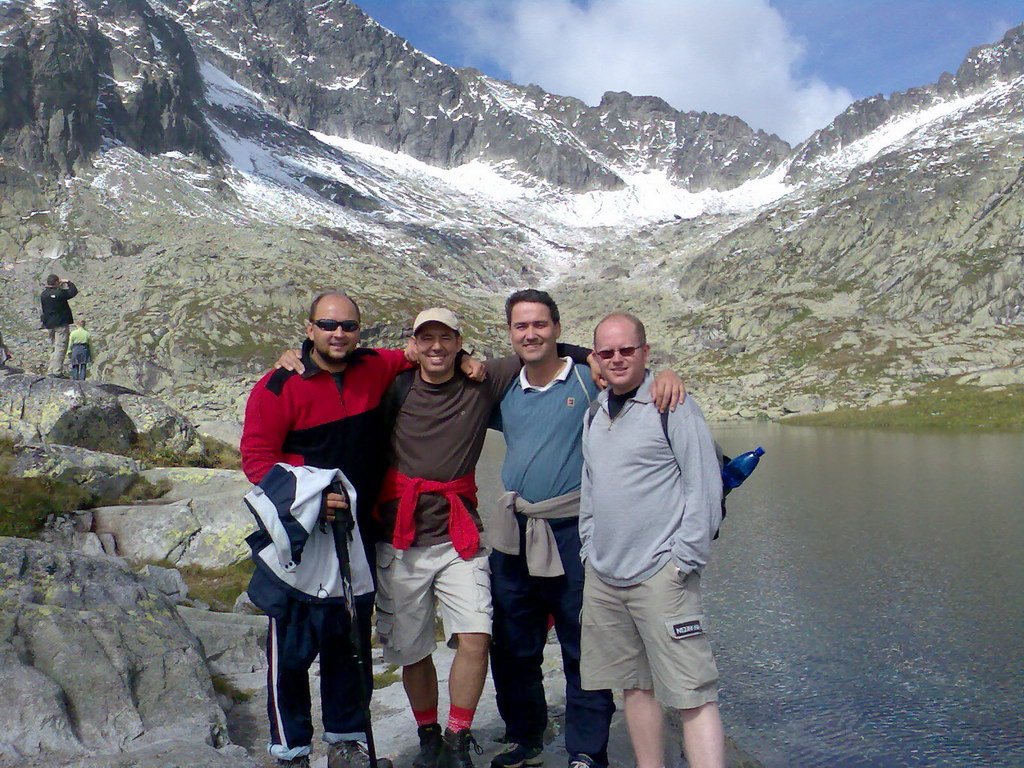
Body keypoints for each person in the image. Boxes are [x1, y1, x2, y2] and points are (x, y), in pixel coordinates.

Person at [487, 292, 684, 768]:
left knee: (584, 644)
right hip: (517, 531)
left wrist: (665, 376)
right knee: (513, 642)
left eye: (539, 324)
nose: (530, 334)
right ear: (510, 333)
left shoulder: (585, 378)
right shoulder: (505, 388)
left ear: (557, 327)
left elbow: (629, 379)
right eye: (520, 326)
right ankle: (526, 736)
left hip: (574, 531)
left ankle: (586, 750)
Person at [240, 291, 414, 768]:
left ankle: (346, 741)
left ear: (360, 331)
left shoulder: (375, 366)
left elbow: (424, 350)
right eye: (328, 324)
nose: (339, 334)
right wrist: (315, 491)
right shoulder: (279, 385)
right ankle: (291, 751)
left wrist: (465, 360)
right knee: (291, 653)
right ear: (310, 328)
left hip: (359, 532)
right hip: (300, 536)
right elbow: (256, 460)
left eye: (349, 326)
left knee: (349, 643)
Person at [373, 308, 522, 768]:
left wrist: (592, 359)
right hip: (400, 539)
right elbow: (340, 367)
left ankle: (458, 738)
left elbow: (540, 352)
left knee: (476, 636)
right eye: (426, 338)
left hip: (459, 535)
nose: (436, 346)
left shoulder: (482, 381)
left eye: (446, 338)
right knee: (413, 649)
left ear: (460, 342)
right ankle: (428, 736)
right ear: (413, 345)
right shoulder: (394, 384)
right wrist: (293, 355)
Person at [579, 313, 725, 768]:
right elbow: (590, 485)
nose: (618, 359)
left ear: (645, 352)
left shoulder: (673, 406)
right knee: (634, 687)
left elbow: (704, 489)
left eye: (627, 350)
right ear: (597, 358)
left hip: (662, 575)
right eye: (608, 352)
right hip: (605, 576)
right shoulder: (595, 410)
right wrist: (588, 547)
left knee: (691, 693)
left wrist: (683, 562)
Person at [39, 273, 78, 377]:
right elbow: (73, 292)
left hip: (49, 324)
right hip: (61, 323)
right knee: (61, 347)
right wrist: (67, 282)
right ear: (56, 282)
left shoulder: (44, 294)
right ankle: (56, 372)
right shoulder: (60, 294)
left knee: (55, 347)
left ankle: (51, 370)